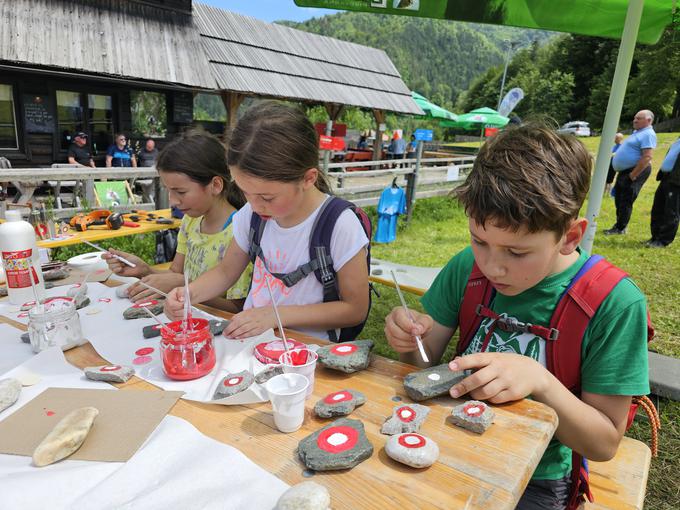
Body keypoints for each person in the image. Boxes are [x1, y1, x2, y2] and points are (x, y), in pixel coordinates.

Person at [384, 124, 649, 510]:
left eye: (517, 253)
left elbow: (605, 442)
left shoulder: (613, 303)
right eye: (479, 240)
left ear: (571, 236)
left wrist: (540, 381)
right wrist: (410, 340)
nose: (494, 267)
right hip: (450, 442)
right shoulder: (466, 269)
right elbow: (423, 366)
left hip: (536, 475)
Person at [163, 101, 370, 340]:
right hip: (252, 342)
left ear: (308, 179)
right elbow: (225, 273)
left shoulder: (339, 225)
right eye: (244, 192)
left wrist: (274, 315)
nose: (254, 204)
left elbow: (354, 309)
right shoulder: (251, 216)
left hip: (308, 353)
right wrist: (188, 293)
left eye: (266, 197)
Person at [103, 130, 252, 313]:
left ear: (215, 185)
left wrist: (187, 286)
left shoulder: (239, 232)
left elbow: (237, 308)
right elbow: (175, 273)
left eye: (180, 192)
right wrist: (145, 270)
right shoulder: (190, 221)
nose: (173, 201)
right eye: (168, 191)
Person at [604, 110, 656, 235]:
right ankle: (619, 225)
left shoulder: (648, 134)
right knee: (619, 198)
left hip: (635, 170)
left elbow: (647, 156)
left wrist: (633, 175)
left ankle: (620, 228)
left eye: (639, 118)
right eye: (635, 118)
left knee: (626, 199)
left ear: (648, 120)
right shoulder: (638, 133)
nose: (635, 120)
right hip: (626, 171)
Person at [647, 137, 680, 248]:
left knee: (671, 212)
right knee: (658, 208)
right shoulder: (678, 139)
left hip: (677, 181)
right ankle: (655, 237)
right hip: (666, 178)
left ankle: (663, 240)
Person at [604, 132, 624, 197]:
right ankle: (604, 192)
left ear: (619, 139)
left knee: (610, 179)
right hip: (609, 164)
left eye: (615, 138)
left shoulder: (621, 146)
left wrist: (611, 154)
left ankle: (609, 193)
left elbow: (616, 154)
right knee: (606, 178)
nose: (614, 139)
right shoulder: (614, 146)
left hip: (614, 165)